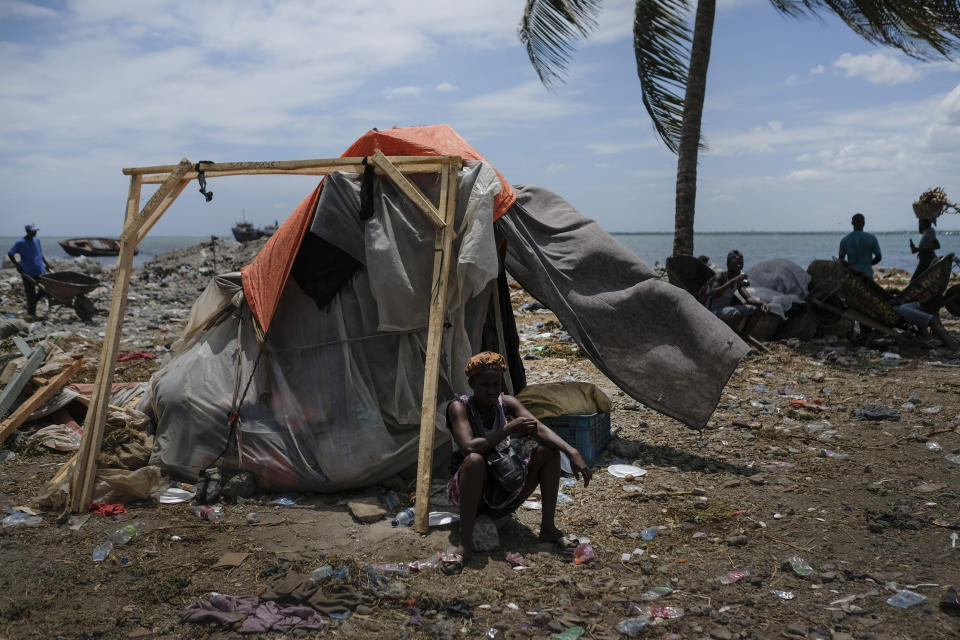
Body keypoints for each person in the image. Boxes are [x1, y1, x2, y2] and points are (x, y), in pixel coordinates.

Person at [445, 351, 592, 565]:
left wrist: (572, 452)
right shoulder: (459, 407)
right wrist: (508, 428)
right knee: (475, 460)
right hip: (472, 490)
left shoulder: (507, 403)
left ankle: (548, 528)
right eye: (485, 385)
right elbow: (469, 446)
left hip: (503, 482)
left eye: (496, 385)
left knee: (548, 451)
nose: (492, 391)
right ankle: (465, 545)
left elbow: (538, 427)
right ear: (472, 383)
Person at [699, 250, 768, 335]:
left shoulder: (738, 281)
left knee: (759, 310)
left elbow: (748, 298)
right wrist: (733, 280)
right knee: (736, 314)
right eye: (735, 263)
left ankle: (744, 336)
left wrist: (762, 303)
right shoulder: (720, 277)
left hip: (724, 309)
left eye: (741, 263)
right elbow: (714, 294)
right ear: (728, 264)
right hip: (711, 311)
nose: (739, 265)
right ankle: (730, 336)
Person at [7, 224, 51, 319]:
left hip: (40, 270)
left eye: (35, 231)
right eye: (33, 231)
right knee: (30, 293)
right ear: (27, 231)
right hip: (27, 272)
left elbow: (40, 253)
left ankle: (33, 302)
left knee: (46, 289)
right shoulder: (20, 242)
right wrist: (17, 266)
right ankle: (32, 313)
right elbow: (10, 253)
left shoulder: (37, 240)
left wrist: (46, 264)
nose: (35, 232)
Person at [839, 213, 882, 279]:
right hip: (867, 276)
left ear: (852, 223)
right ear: (864, 223)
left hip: (852, 275)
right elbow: (879, 257)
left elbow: (841, 260)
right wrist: (868, 264)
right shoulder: (871, 238)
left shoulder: (845, 240)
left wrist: (849, 267)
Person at [909, 217, 939, 282]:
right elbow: (925, 247)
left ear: (926, 223)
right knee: (918, 279)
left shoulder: (930, 231)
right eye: (919, 222)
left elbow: (937, 245)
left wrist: (918, 249)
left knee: (914, 280)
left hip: (927, 259)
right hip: (924, 259)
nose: (919, 224)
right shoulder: (926, 231)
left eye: (920, 222)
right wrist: (916, 249)